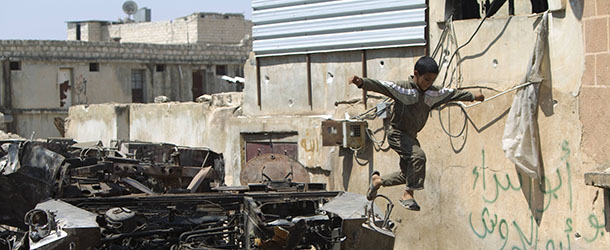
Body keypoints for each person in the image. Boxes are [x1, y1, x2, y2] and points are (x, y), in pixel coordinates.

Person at [349, 56, 484, 211]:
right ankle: (408, 194)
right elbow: (382, 86)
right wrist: (361, 82)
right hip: (397, 134)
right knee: (418, 157)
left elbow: (452, 94)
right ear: (416, 74)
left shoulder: (433, 93)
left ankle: (378, 181)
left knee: (408, 175)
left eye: (432, 81)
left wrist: (473, 97)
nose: (429, 84)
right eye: (426, 79)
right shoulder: (403, 88)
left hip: (411, 137)